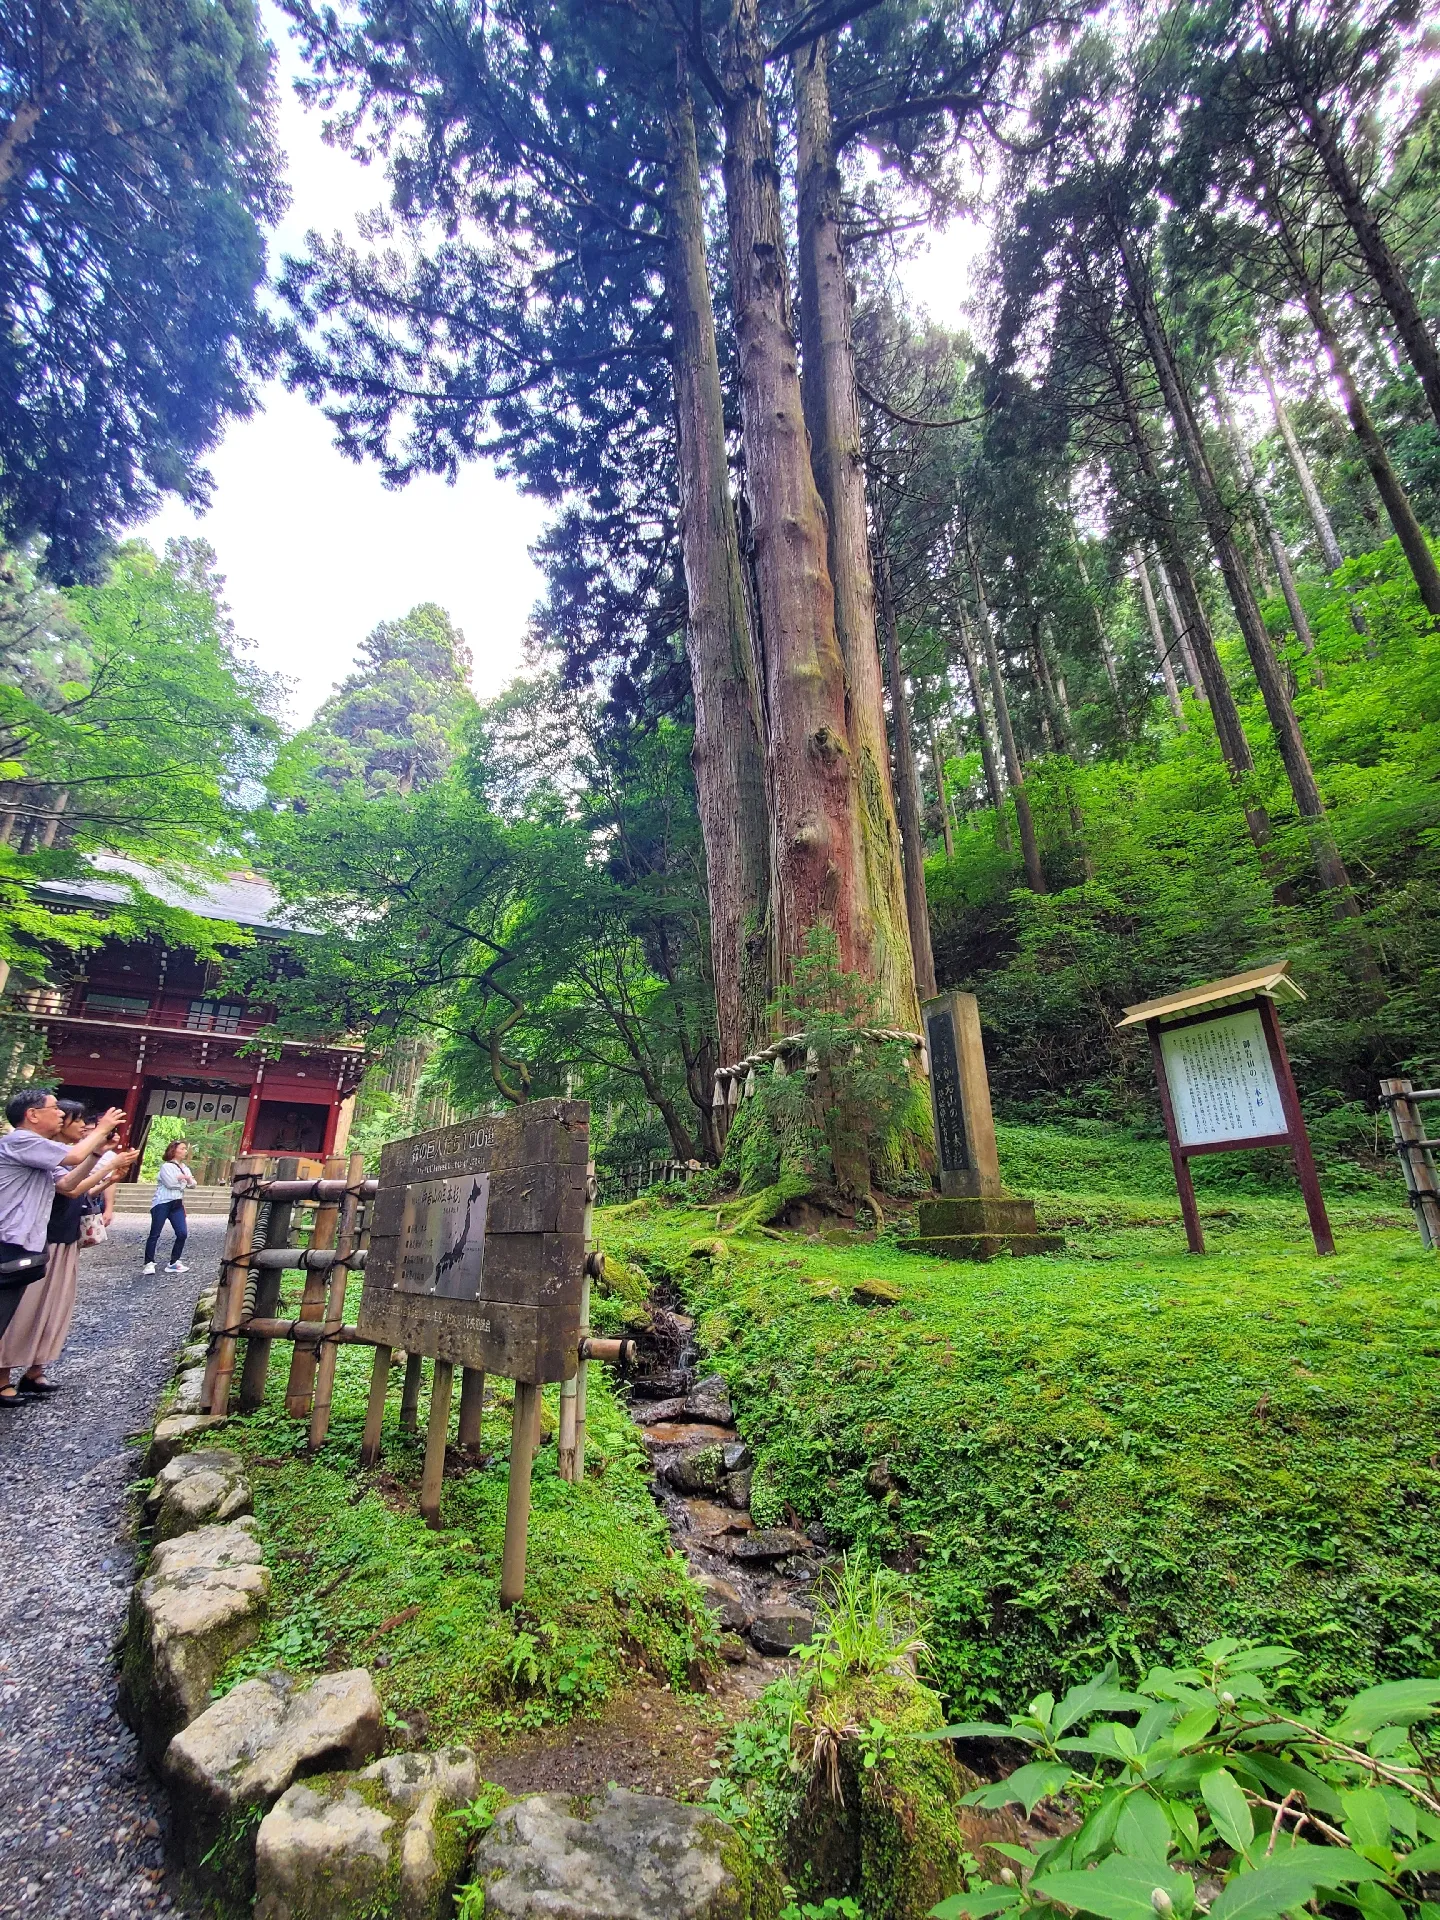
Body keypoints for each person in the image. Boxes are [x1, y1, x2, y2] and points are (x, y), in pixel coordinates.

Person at [0, 1102, 135, 1402]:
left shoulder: (44, 1151)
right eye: (56, 1110)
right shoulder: (24, 1141)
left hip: (52, 1236)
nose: (61, 1116)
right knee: (17, 1309)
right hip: (22, 1239)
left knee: (50, 1306)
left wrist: (101, 1157)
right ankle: (3, 1375)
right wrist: (102, 1132)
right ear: (32, 1114)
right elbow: (72, 1166)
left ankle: (34, 1369)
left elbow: (70, 1186)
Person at [143, 1139, 197, 1274]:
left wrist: (183, 1178)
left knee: (182, 1233)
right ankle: (149, 1262)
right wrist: (184, 1180)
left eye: (185, 1149)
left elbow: (193, 1184)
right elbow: (170, 1183)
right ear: (174, 1150)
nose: (185, 1151)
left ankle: (174, 1261)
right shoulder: (166, 1167)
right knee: (155, 1233)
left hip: (177, 1203)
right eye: (182, 1148)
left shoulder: (184, 1168)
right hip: (162, 1202)